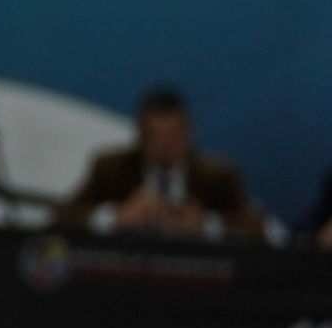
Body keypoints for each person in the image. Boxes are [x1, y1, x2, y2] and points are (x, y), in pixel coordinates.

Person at [56, 84, 264, 240]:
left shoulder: (217, 176)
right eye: (154, 136)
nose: (165, 146)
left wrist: (206, 224)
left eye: (173, 135)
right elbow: (60, 218)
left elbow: (259, 231)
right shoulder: (111, 168)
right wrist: (114, 218)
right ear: (140, 136)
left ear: (189, 133)